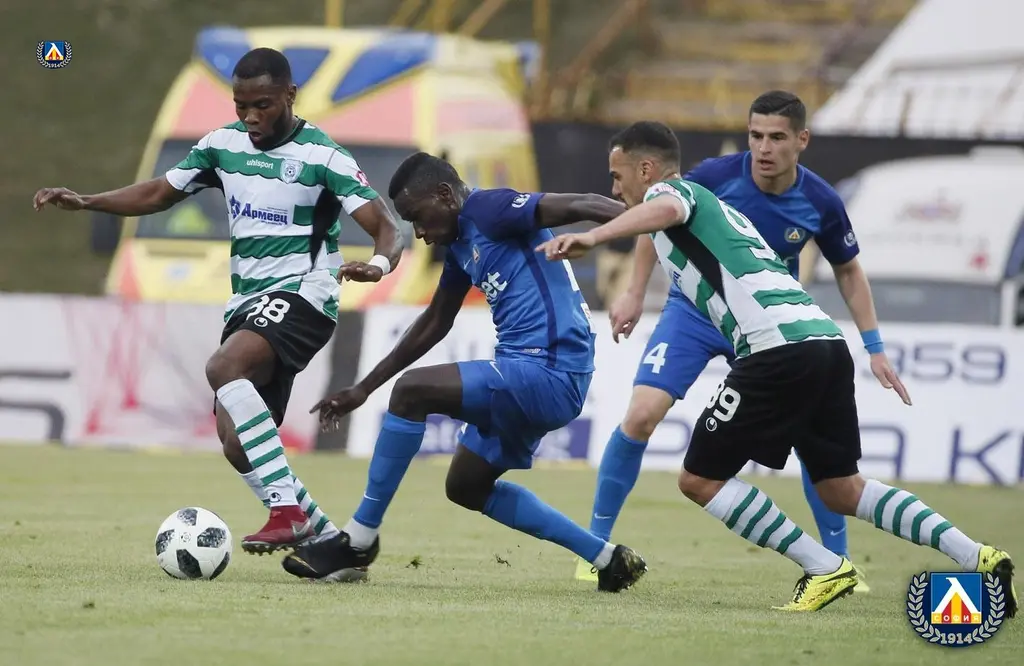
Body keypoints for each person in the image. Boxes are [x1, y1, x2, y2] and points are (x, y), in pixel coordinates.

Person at [536, 121, 1018, 613]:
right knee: (841, 489)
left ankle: (824, 567)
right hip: (824, 342)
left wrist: (594, 236)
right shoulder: (716, 207)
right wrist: (635, 287)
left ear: (646, 169)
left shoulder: (673, 192)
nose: (615, 188)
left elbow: (665, 207)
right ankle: (977, 556)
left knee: (699, 480)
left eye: (618, 176)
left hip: (776, 350)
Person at [32, 47, 404, 554]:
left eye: (263, 105)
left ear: (290, 95)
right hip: (248, 302)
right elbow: (159, 193)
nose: (251, 117)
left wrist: (378, 265)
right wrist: (88, 201)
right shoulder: (221, 146)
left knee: (225, 366)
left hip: (304, 292)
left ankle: (288, 513)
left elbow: (387, 228)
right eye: (241, 105)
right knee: (236, 441)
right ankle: (330, 544)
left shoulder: (324, 156)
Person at [575, 92, 911, 589]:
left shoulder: (820, 200)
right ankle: (596, 549)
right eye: (756, 136)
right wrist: (634, 291)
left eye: (776, 137)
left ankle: (837, 560)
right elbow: (656, 218)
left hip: (767, 324)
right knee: (641, 415)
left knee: (811, 440)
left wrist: (875, 346)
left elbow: (848, 271)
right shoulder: (715, 176)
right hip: (693, 313)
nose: (763, 148)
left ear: (801, 140)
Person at [279, 152, 648, 592]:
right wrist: (363, 389)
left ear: (445, 194)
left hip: (549, 370)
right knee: (467, 486)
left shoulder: (490, 209)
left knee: (412, 392)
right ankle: (606, 558)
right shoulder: (458, 245)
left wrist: (653, 223)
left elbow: (581, 203)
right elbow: (435, 322)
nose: (419, 232)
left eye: (418, 217)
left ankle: (358, 540)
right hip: (530, 373)